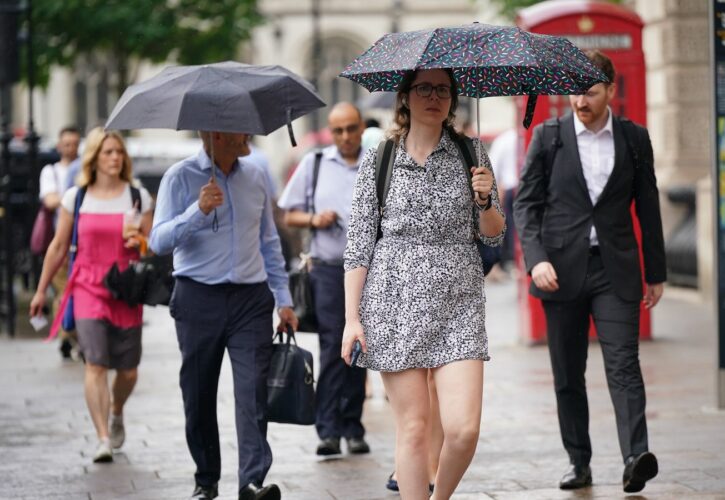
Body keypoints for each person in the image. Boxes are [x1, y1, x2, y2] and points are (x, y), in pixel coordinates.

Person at [341, 68, 505, 499]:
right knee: (412, 428)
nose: (435, 97)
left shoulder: (473, 153)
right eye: (425, 88)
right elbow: (359, 244)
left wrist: (485, 199)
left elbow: (494, 233)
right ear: (406, 96)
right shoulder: (380, 157)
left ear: (453, 100)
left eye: (444, 90)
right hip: (394, 303)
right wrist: (351, 319)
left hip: (459, 304)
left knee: (464, 429)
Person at [513, 50, 666, 493]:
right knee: (567, 373)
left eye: (590, 91)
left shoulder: (634, 139)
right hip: (559, 271)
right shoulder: (548, 136)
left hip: (615, 270)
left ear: (611, 92)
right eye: (575, 91)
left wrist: (655, 271)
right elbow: (526, 204)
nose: (580, 100)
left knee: (624, 364)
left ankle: (635, 456)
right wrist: (535, 258)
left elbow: (649, 205)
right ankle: (578, 462)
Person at [150, 131, 297, 500]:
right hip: (197, 296)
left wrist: (284, 298)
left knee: (252, 392)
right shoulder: (179, 177)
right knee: (198, 393)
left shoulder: (256, 175)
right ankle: (206, 479)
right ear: (214, 134)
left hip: (251, 298)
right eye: (239, 128)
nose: (248, 134)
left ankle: (252, 481)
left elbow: (268, 241)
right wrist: (196, 211)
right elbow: (158, 241)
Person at [29, 127, 153, 463]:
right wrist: (41, 290)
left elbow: (153, 245)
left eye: (119, 152)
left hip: (126, 288)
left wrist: (139, 243)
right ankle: (102, 437)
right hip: (86, 285)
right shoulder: (76, 197)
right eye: (108, 152)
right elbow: (57, 246)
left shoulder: (138, 197)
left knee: (128, 370)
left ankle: (116, 410)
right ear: (94, 157)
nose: (115, 158)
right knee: (95, 363)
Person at [278, 102, 369, 457]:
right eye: (338, 130)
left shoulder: (378, 164)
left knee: (362, 349)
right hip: (330, 270)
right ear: (331, 133)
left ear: (362, 128)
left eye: (351, 128)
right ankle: (328, 430)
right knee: (333, 348)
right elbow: (289, 215)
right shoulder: (315, 163)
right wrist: (315, 220)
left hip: (370, 271)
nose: (345, 136)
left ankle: (353, 426)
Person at [37, 126, 82, 359]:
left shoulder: (85, 169)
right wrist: (74, 194)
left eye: (75, 143)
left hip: (83, 242)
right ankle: (69, 335)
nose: (71, 148)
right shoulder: (51, 172)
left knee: (74, 292)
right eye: (67, 144)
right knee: (65, 291)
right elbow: (51, 200)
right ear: (59, 146)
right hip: (60, 240)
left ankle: (69, 334)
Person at [487, 127, 519, 274]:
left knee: (510, 226)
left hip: (509, 188)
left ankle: (512, 260)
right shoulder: (514, 138)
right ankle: (516, 260)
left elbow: (493, 168)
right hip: (519, 187)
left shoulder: (503, 139)